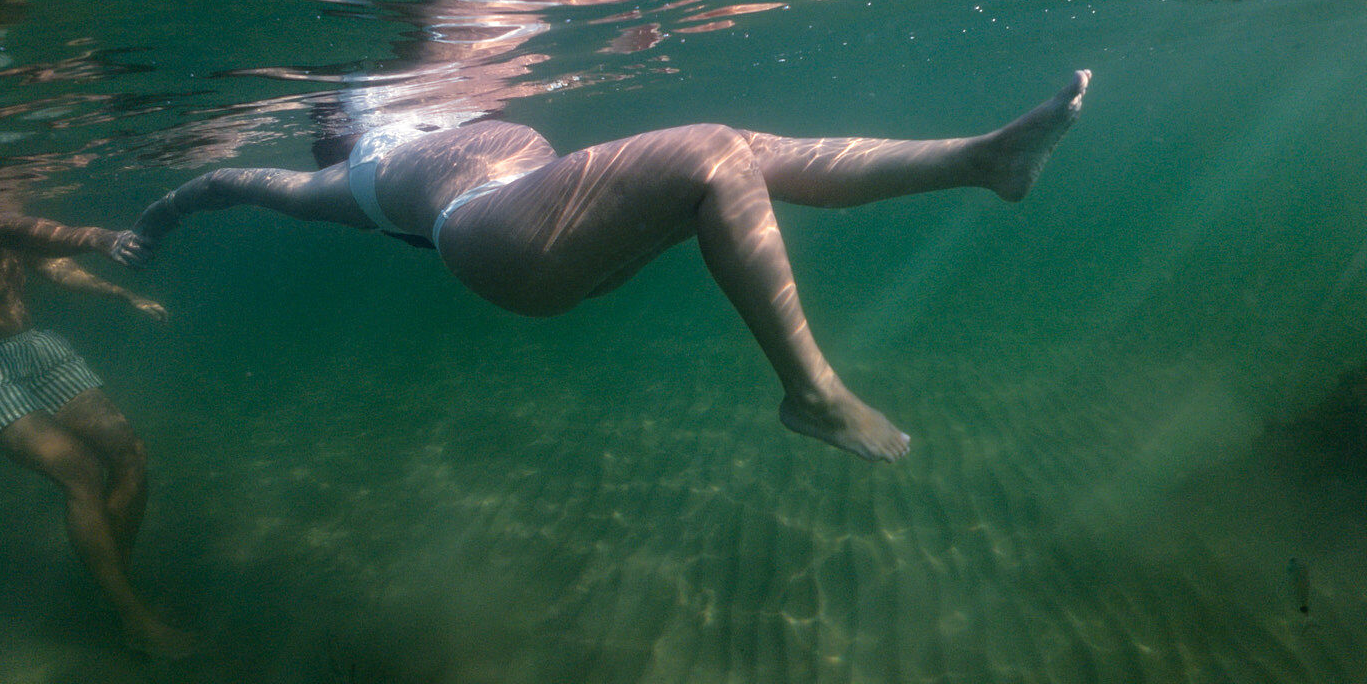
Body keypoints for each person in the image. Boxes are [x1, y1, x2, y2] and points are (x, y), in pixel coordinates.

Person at [127, 70, 1089, 462]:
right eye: (346, 114)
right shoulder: (345, 179)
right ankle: (814, 394)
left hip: (551, 233)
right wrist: (155, 222)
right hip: (496, 242)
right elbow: (227, 180)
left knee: (743, 152)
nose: (362, 108)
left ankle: (980, 161)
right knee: (712, 148)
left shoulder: (434, 117)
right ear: (337, 136)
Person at [0, 147, 191, 656]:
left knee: (130, 453)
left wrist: (123, 295)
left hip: (33, 348)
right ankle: (133, 617)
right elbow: (9, 228)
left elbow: (53, 265)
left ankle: (112, 585)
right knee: (80, 471)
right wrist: (101, 238)